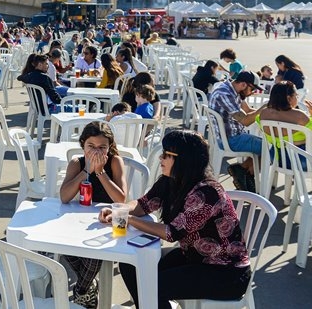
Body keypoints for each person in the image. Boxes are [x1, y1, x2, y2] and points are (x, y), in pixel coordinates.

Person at [102, 131, 251, 309]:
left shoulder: (206, 192)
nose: (161, 158)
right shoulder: (170, 180)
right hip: (194, 257)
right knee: (131, 266)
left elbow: (171, 233)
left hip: (226, 272)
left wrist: (130, 220)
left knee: (151, 286)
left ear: (183, 159)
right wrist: (119, 210)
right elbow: (143, 204)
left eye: (166, 154)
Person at [60, 122, 126, 307]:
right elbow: (64, 197)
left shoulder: (115, 162)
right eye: (91, 146)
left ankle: (82, 290)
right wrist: (86, 171)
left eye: (102, 147)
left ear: (109, 147)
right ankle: (87, 287)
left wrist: (100, 172)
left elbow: (121, 199)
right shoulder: (77, 163)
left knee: (94, 252)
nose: (96, 152)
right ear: (83, 145)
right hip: (78, 221)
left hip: (105, 223)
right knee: (62, 243)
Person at [208, 70, 263, 192]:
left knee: (265, 147)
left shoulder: (232, 89)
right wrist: (262, 109)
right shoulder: (225, 94)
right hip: (231, 140)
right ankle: (247, 175)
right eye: (253, 89)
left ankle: (242, 171)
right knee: (270, 149)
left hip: (232, 136)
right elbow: (245, 121)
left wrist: (267, 112)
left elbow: (247, 110)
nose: (253, 93)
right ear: (243, 85)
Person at [256, 80, 312, 150]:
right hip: (298, 155)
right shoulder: (299, 116)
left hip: (274, 153)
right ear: (289, 98)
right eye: (296, 96)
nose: (297, 99)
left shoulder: (264, 113)